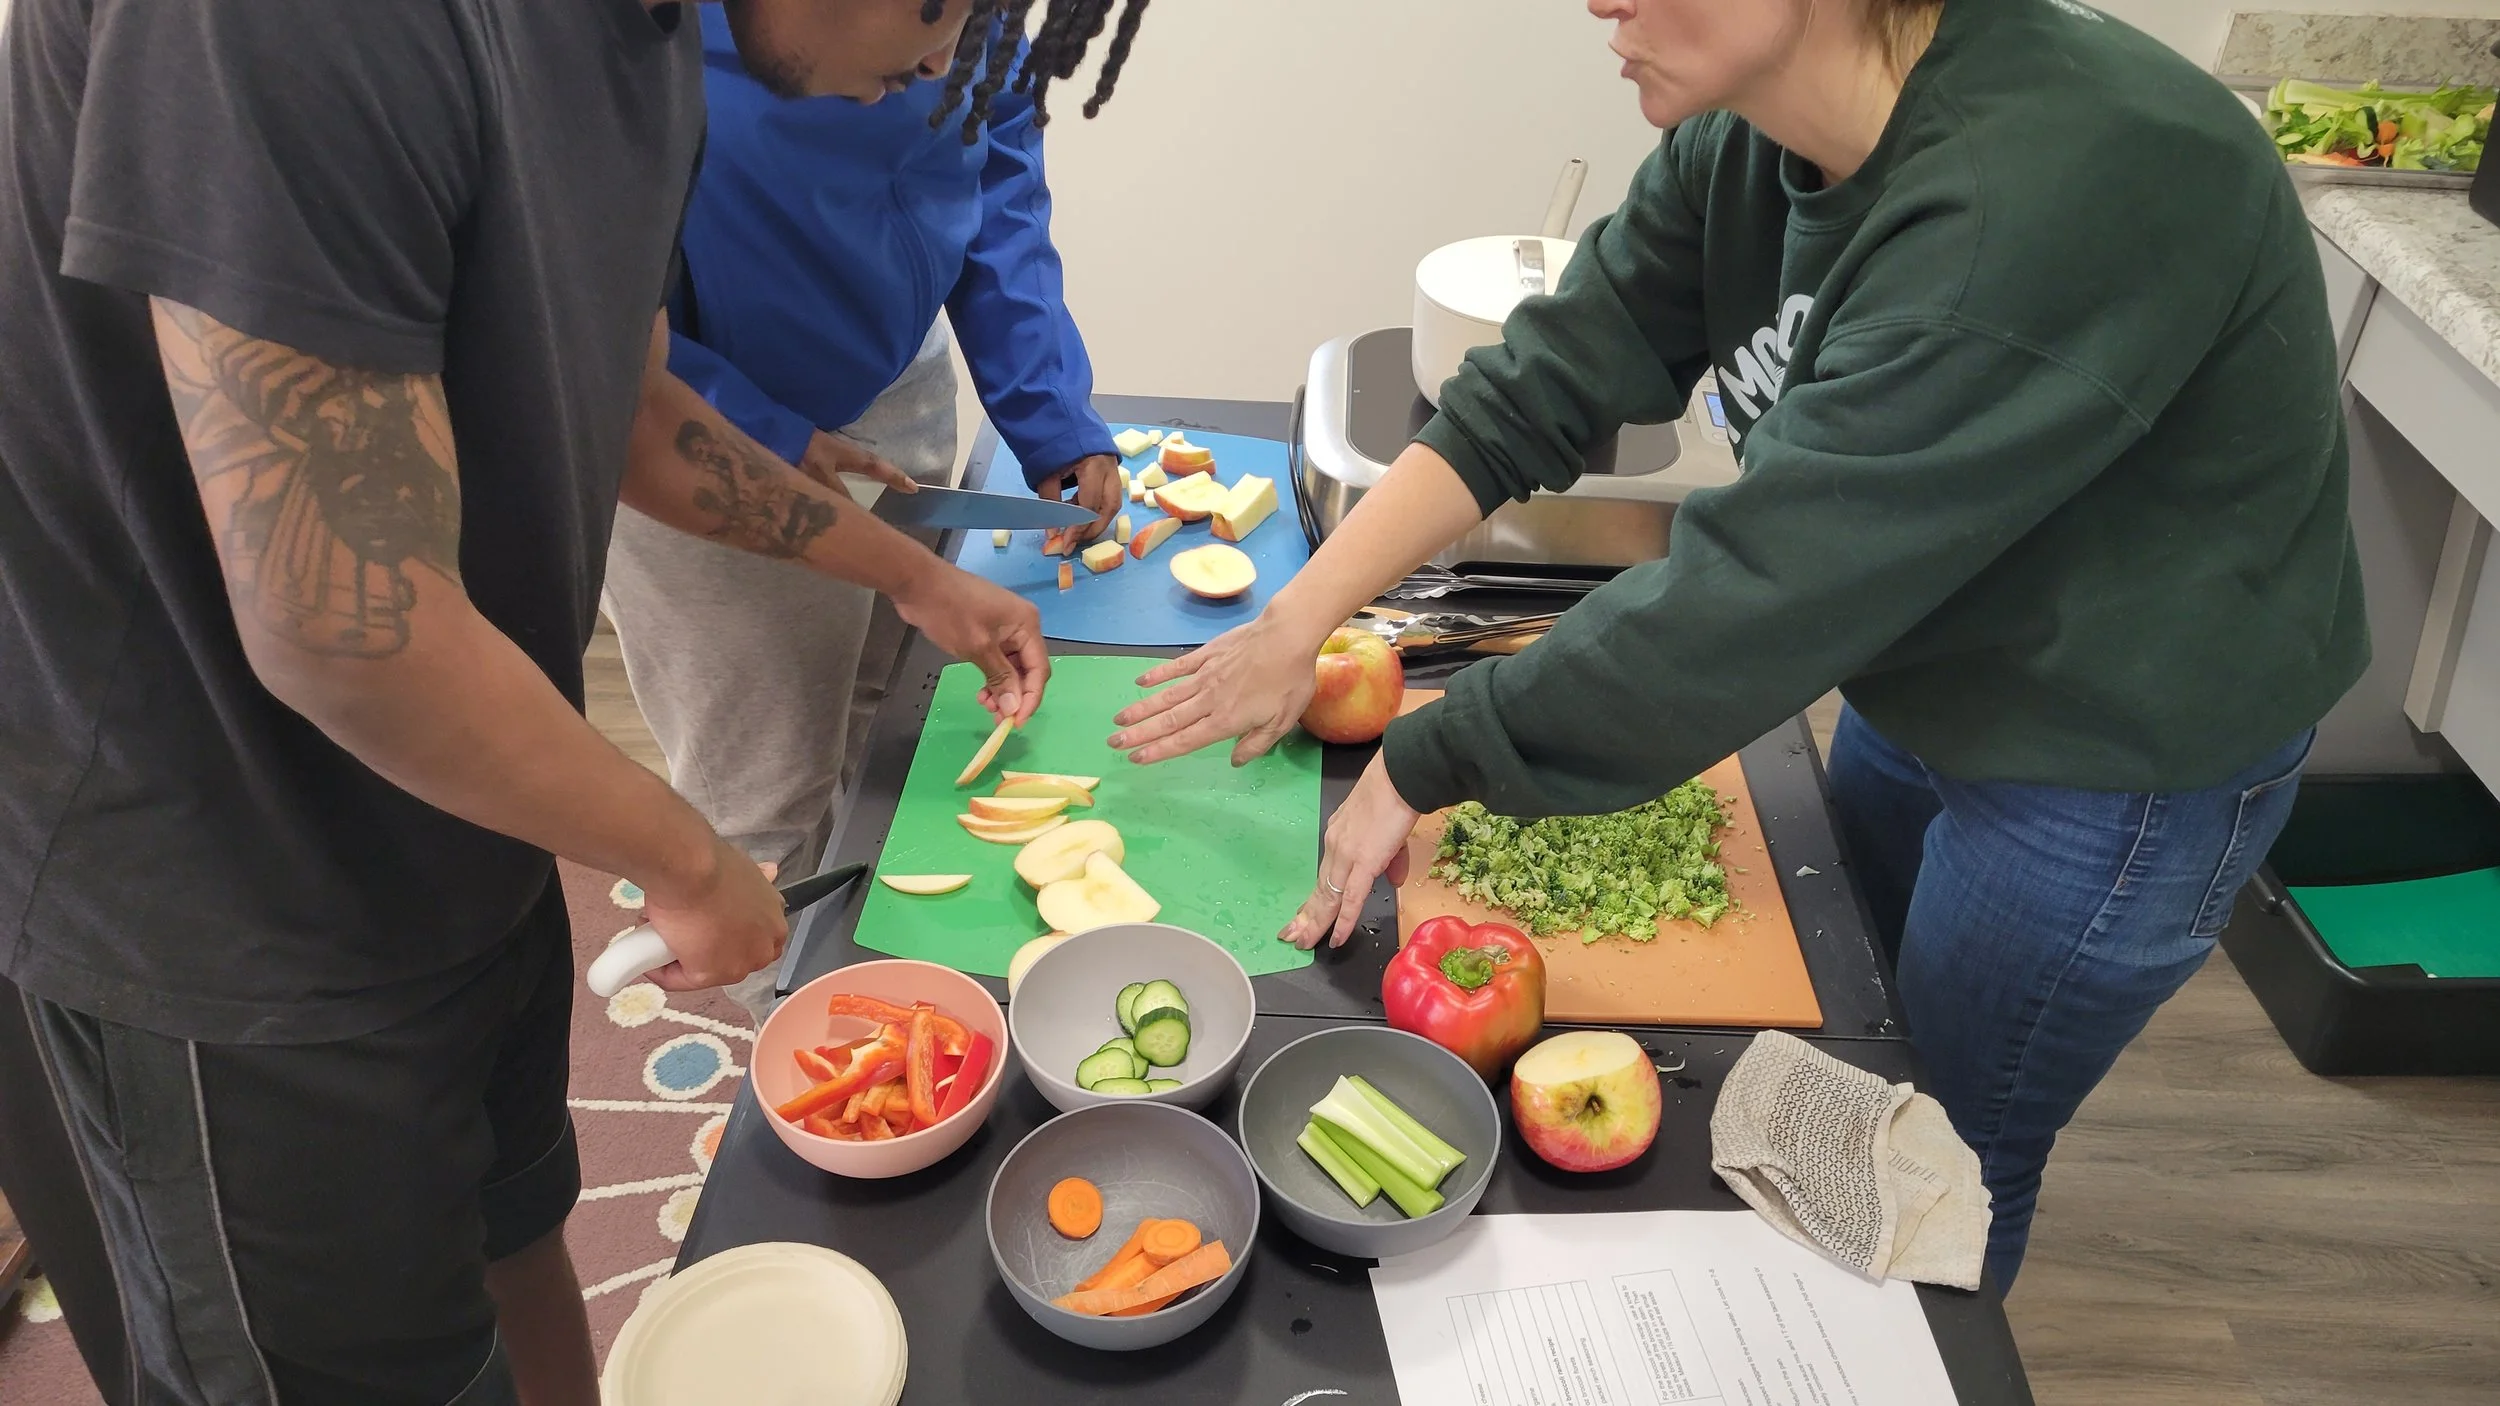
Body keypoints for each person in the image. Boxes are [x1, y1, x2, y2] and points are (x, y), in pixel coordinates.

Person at [1109, 0, 2365, 1291]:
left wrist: (1431, 754)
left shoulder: (2017, 206)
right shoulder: (1757, 138)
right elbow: (1540, 386)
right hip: (1941, 636)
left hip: (2122, 750)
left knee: (1936, 1148)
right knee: (1850, 1036)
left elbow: (1749, 600)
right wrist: (1296, 619)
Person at [0, 1, 1147, 1400]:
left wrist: (908, 575)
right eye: (939, 3)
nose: (940, 58)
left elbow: (635, 407)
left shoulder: (641, 42)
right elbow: (341, 623)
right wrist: (685, 853)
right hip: (226, 877)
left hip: (462, 797)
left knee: (515, 1227)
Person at [604, 2, 1140, 1025]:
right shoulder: (619, 46)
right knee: (761, 795)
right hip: (701, 437)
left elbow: (998, 170)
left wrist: (1047, 403)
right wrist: (756, 422)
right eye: (931, 31)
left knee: (881, 715)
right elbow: (611, 337)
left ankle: (876, 994)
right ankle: (799, 1052)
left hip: (897, 389)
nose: (948, 60)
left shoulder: (958, 21)